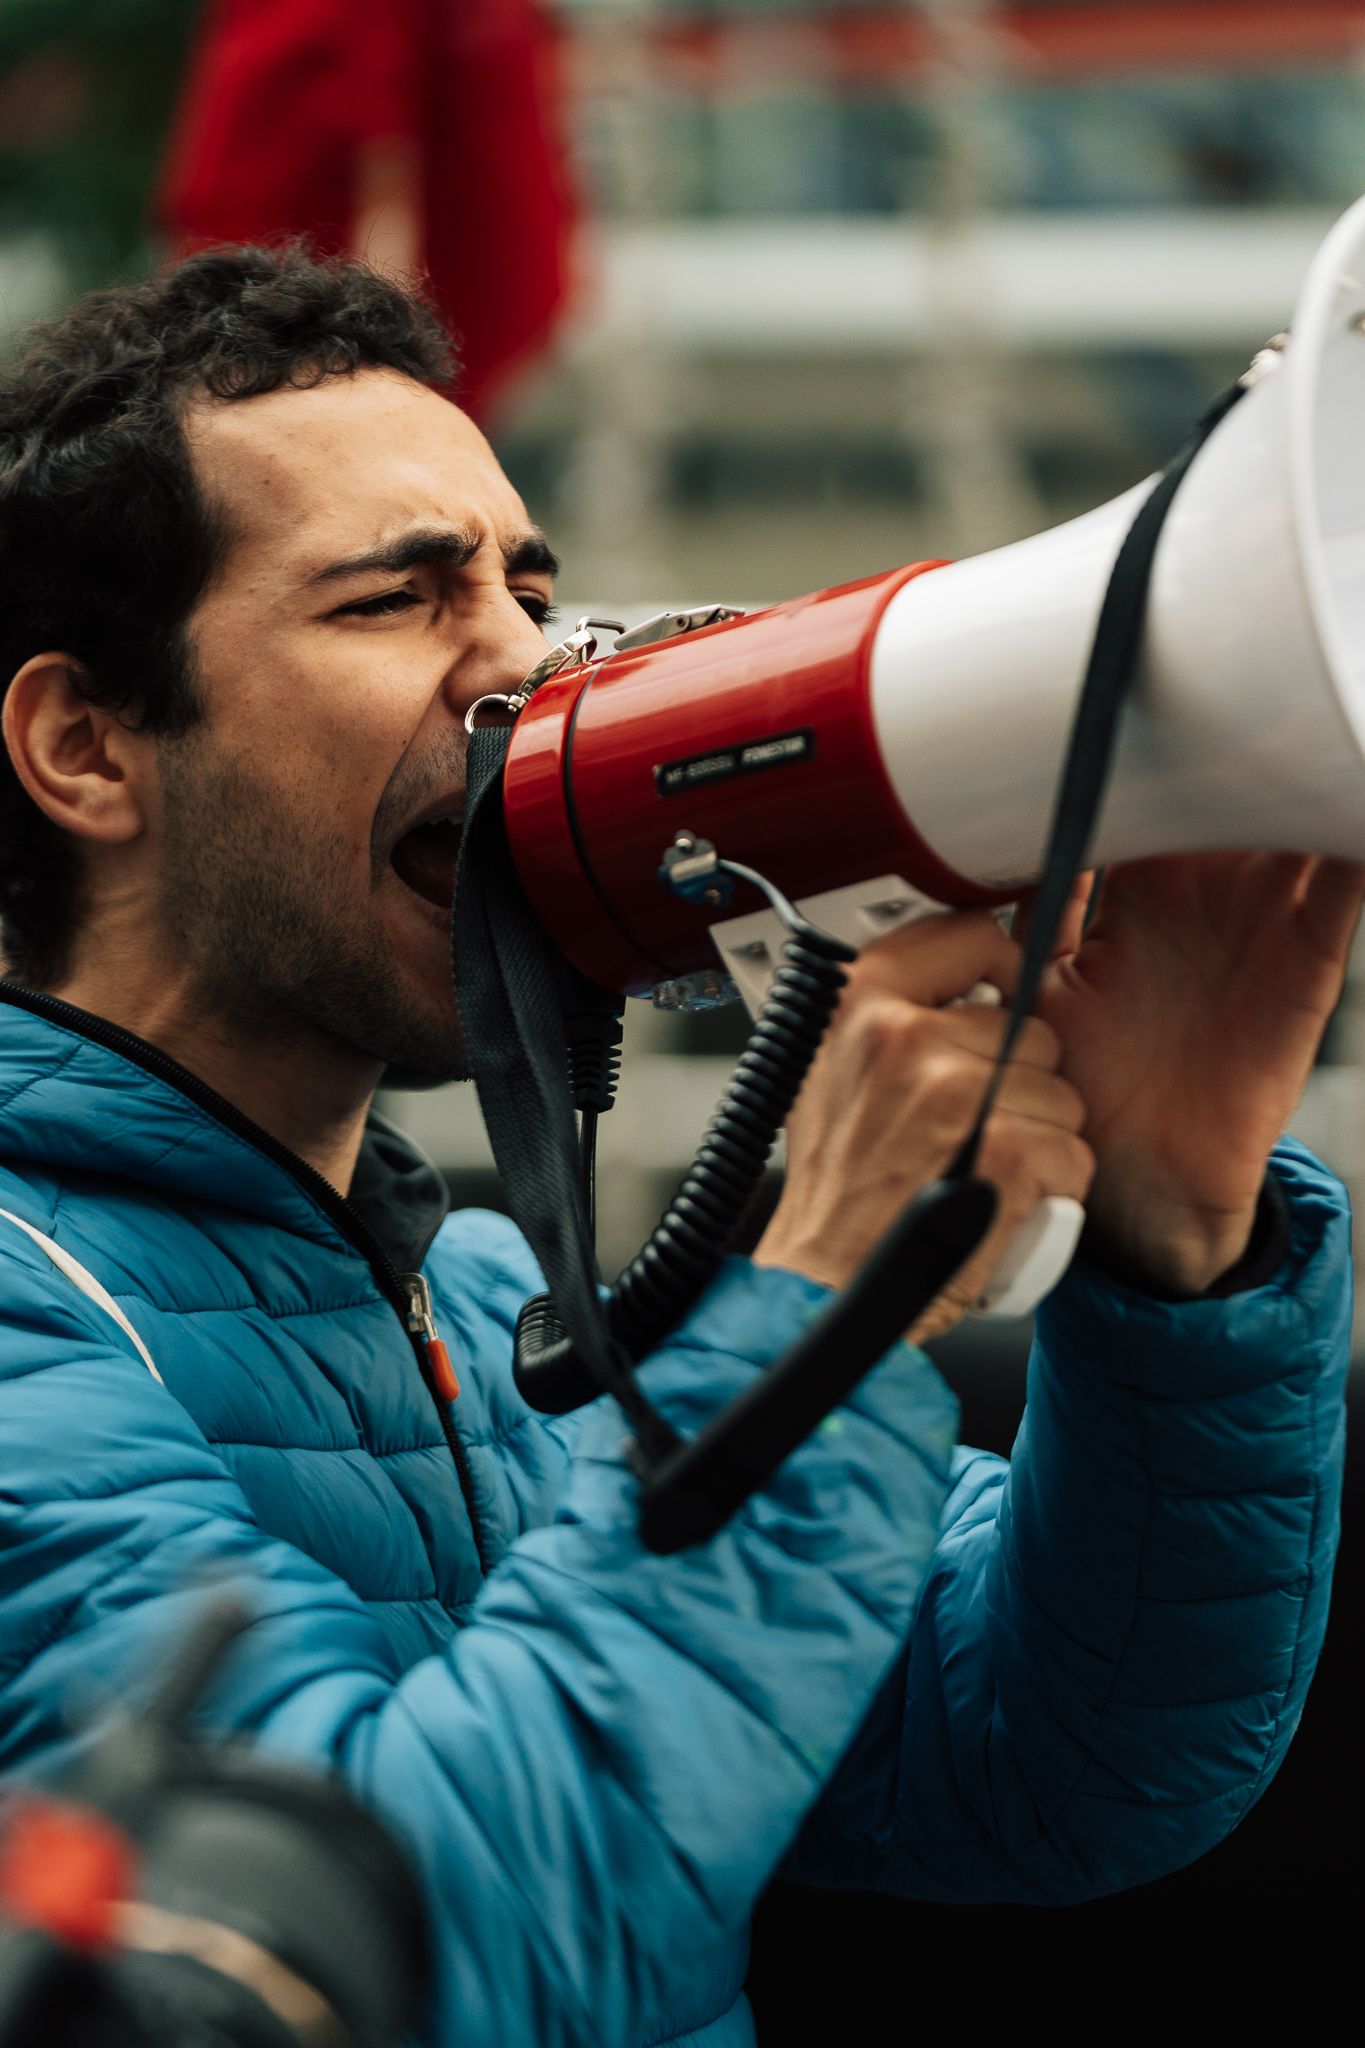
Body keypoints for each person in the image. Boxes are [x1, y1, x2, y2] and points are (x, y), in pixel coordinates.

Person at [0, 246, 1357, 2047]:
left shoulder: (496, 1300)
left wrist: (1168, 1254)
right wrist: (815, 1308)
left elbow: (1054, 1761)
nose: (529, 665)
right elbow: (379, 1969)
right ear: (86, 745)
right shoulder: (31, 1306)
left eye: (527, 583)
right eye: (397, 601)